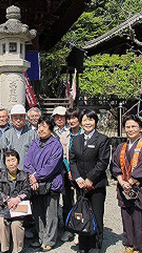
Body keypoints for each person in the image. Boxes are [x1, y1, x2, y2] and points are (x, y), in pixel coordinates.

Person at [111, 115, 142, 253]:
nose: (130, 129)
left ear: (140, 128)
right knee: (126, 216)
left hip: (138, 188)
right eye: (127, 127)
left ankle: (140, 247)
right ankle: (128, 243)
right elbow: (115, 165)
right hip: (123, 187)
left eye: (133, 126)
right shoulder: (121, 147)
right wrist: (121, 180)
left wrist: (130, 181)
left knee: (139, 218)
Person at [69, 109, 110, 253]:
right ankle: (83, 245)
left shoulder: (102, 139)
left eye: (91, 119)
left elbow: (103, 162)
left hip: (96, 185)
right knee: (81, 214)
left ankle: (96, 246)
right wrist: (78, 178)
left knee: (96, 215)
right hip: (80, 185)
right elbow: (72, 160)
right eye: (85, 120)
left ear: (96, 122)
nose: (88, 123)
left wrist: (90, 179)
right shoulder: (77, 139)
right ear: (80, 122)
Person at [24, 116, 64, 252]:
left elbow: (52, 166)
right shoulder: (34, 142)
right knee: (38, 212)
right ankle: (41, 237)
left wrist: (36, 176)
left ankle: (49, 239)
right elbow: (27, 161)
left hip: (51, 183)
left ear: (51, 129)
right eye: (39, 126)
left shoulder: (56, 144)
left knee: (50, 213)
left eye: (44, 126)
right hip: (35, 183)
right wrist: (31, 176)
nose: (41, 129)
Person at [0, 149, 31, 253]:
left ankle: (17, 250)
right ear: (5, 163)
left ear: (18, 161)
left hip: (19, 208)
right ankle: (5, 249)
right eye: (8, 161)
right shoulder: (0, 175)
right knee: (2, 223)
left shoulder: (24, 175)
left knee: (16, 224)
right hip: (5, 207)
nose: (11, 163)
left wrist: (18, 198)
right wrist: (8, 200)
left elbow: (27, 191)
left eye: (13, 160)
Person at [60, 107, 83, 243]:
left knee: (81, 201)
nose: (71, 121)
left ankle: (80, 228)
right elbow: (63, 155)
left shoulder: (84, 134)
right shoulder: (65, 135)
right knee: (67, 200)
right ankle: (68, 228)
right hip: (68, 173)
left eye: (74, 117)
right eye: (69, 118)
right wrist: (69, 170)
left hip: (82, 173)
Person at [0, 104, 37, 170]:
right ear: (11, 119)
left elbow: (36, 154)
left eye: (21, 117)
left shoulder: (32, 134)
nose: (18, 120)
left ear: (25, 118)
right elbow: (2, 154)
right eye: (15, 118)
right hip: (10, 171)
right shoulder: (6, 135)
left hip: (28, 171)